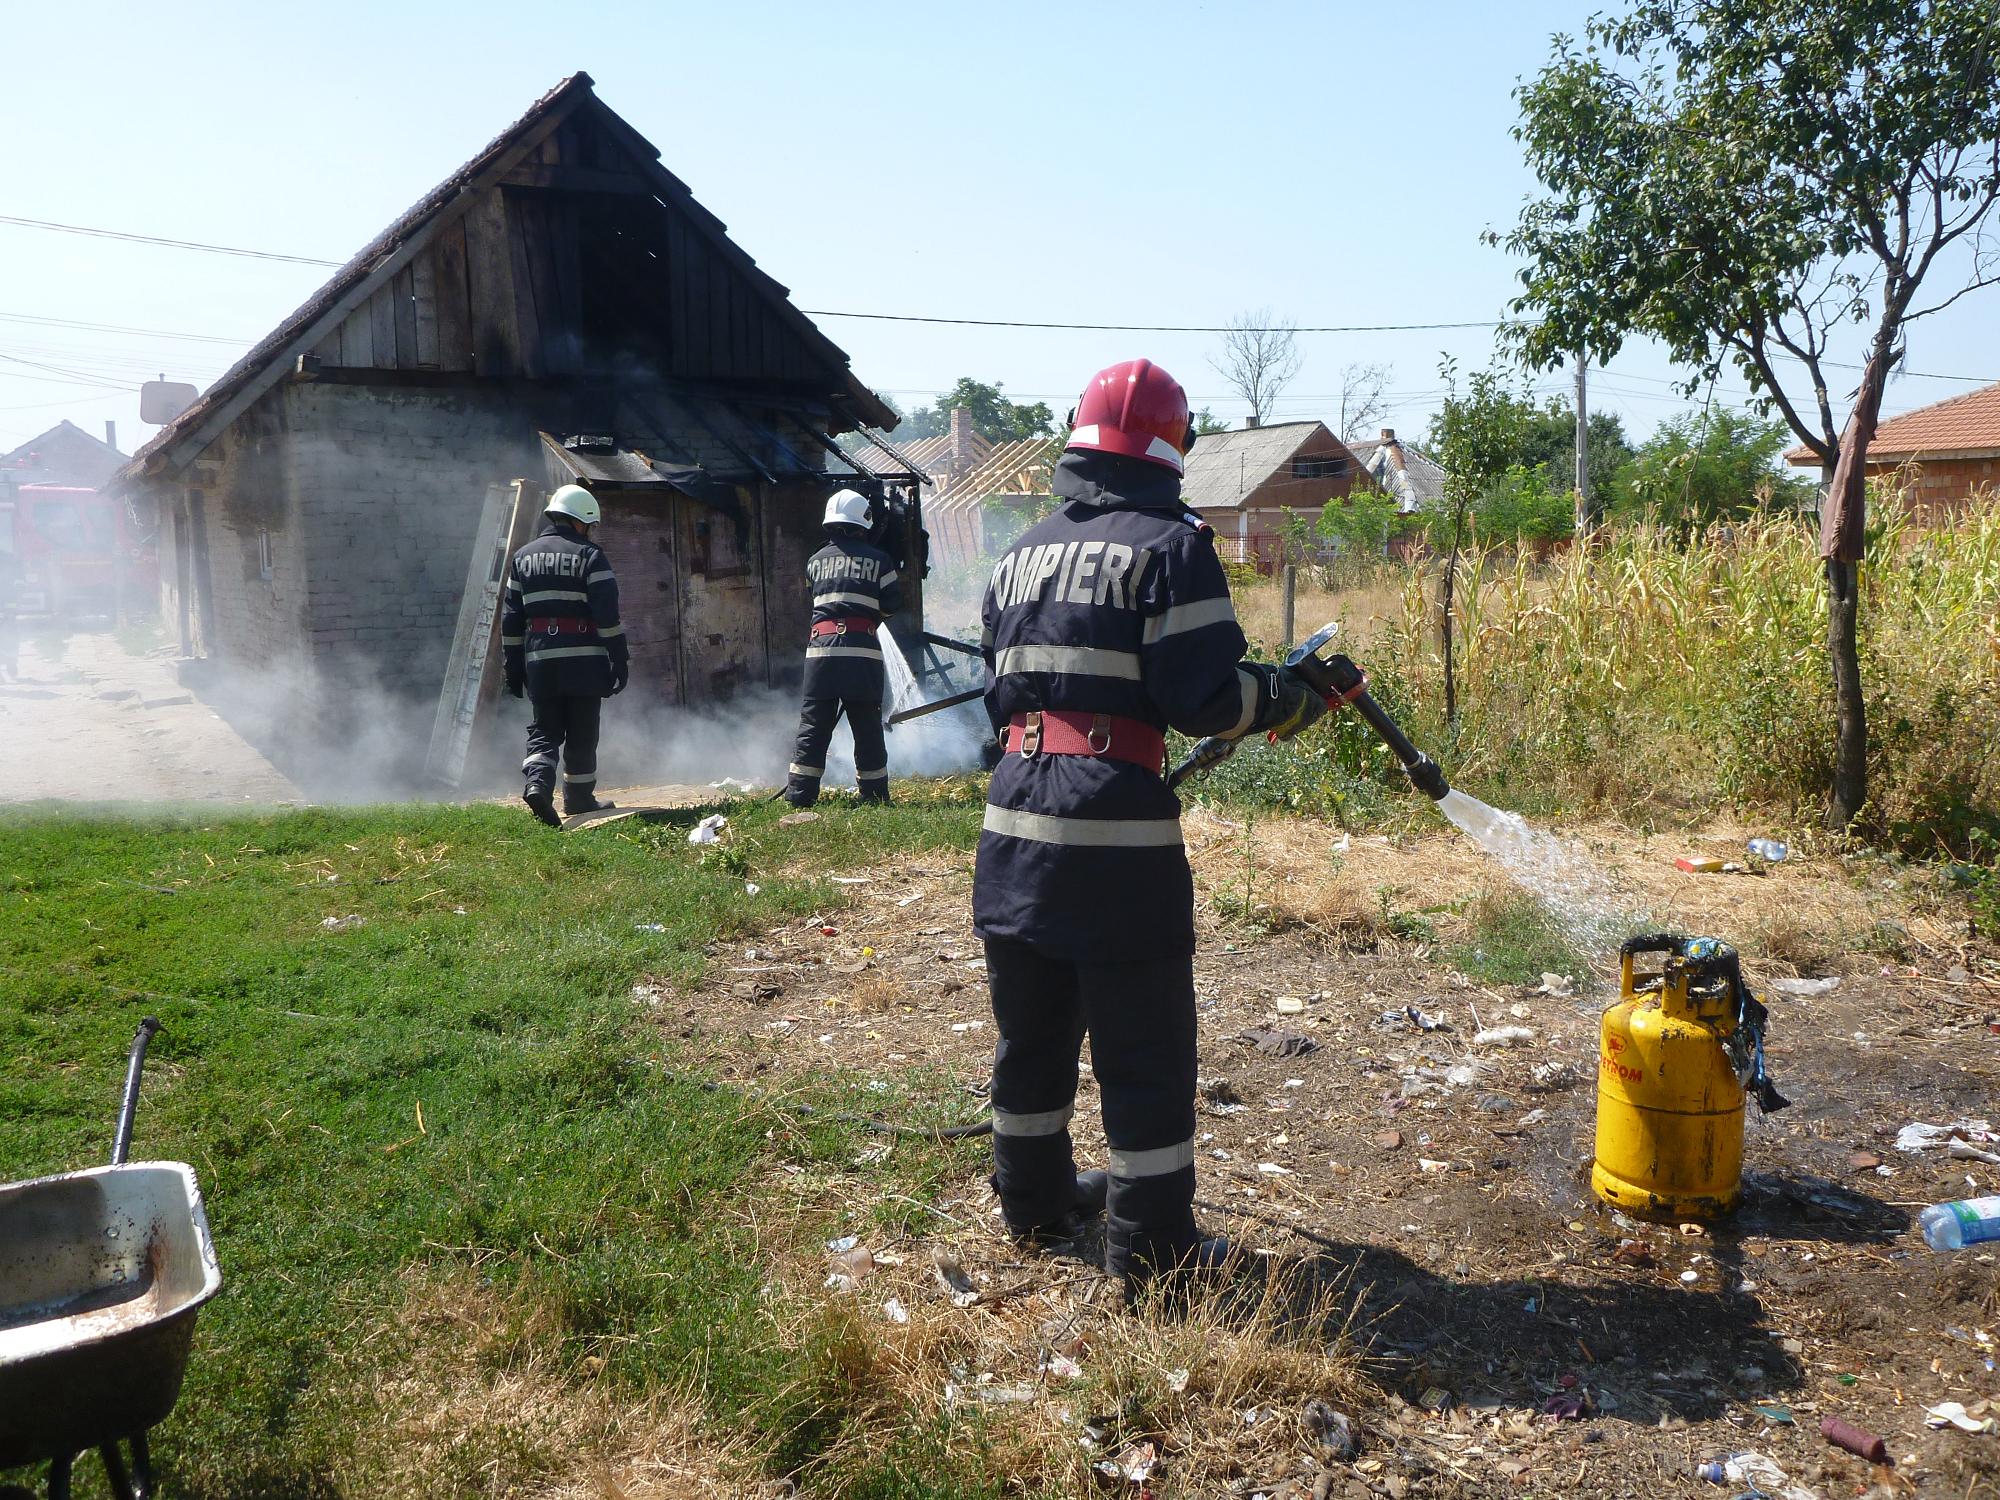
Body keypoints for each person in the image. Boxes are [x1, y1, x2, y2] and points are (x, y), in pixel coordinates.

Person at [973, 358, 1325, 1290]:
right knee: (1144, 1052)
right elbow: (1203, 697)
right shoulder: (1172, 545)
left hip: (1012, 828)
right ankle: (1154, 1251)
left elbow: (996, 694)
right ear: (1173, 451)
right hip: (1112, 846)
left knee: (1032, 1034)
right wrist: (1289, 697)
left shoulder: (1020, 552)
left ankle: (1035, 1201)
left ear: (1079, 443)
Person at [501, 484, 627, 826]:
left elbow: (511, 619)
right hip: (585, 662)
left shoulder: (522, 557)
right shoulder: (590, 555)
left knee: (545, 731)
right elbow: (607, 616)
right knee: (582, 731)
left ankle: (537, 786)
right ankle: (579, 800)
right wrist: (620, 659)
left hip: (541, 662)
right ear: (581, 521)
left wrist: (513, 667)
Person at [783, 488, 903, 807]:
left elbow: (812, 600)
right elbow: (892, 604)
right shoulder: (880, 561)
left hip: (820, 654)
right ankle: (874, 796)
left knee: (813, 725)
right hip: (861, 654)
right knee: (866, 726)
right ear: (863, 521)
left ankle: (799, 795)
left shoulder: (814, 561)